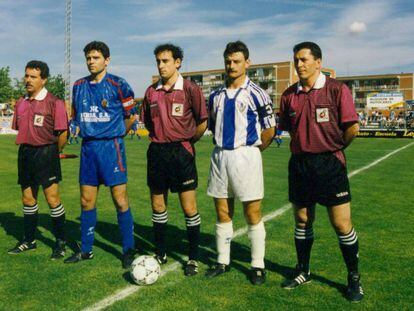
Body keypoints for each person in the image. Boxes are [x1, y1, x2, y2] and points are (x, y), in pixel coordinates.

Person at [278, 42, 363, 302]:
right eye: (296, 60)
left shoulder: (337, 90)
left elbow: (352, 129)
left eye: (304, 59)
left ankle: (354, 279)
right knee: (302, 221)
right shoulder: (289, 94)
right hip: (300, 165)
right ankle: (303, 270)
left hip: (330, 164)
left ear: (318, 62)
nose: (299, 64)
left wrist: (332, 148)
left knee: (341, 224)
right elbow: (287, 128)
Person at [205, 41, 276, 285]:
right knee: (223, 211)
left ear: (247, 63)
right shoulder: (215, 95)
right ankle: (222, 260)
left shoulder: (256, 92)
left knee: (252, 212)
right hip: (220, 155)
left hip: (246, 155)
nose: (231, 65)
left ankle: (257, 265)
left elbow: (270, 130)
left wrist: (253, 151)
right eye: (228, 61)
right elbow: (213, 126)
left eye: (236, 61)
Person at [64, 41, 137, 268]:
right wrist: (75, 126)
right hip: (88, 149)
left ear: (106, 60)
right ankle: (86, 250)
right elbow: (75, 116)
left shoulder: (119, 84)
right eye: (88, 58)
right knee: (86, 201)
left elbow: (131, 116)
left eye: (95, 57)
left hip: (111, 147)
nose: (91, 62)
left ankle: (128, 249)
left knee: (120, 199)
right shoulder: (78, 86)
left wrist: (115, 135)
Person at [141, 43, 207, 276]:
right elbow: (148, 122)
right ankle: (160, 252)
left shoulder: (190, 89)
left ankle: (193, 258)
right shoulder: (151, 92)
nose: (161, 65)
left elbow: (202, 122)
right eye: (158, 61)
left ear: (178, 62)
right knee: (158, 206)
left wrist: (187, 143)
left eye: (165, 61)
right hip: (157, 151)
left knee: (189, 207)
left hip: (182, 152)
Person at [8, 60, 68, 260]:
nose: (28, 80)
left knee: (52, 199)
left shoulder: (54, 102)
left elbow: (63, 133)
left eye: (33, 76)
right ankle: (29, 240)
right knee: (28, 199)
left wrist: (53, 152)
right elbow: (19, 128)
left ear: (44, 80)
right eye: (26, 75)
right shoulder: (21, 102)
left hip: (46, 153)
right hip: (25, 153)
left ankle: (60, 242)